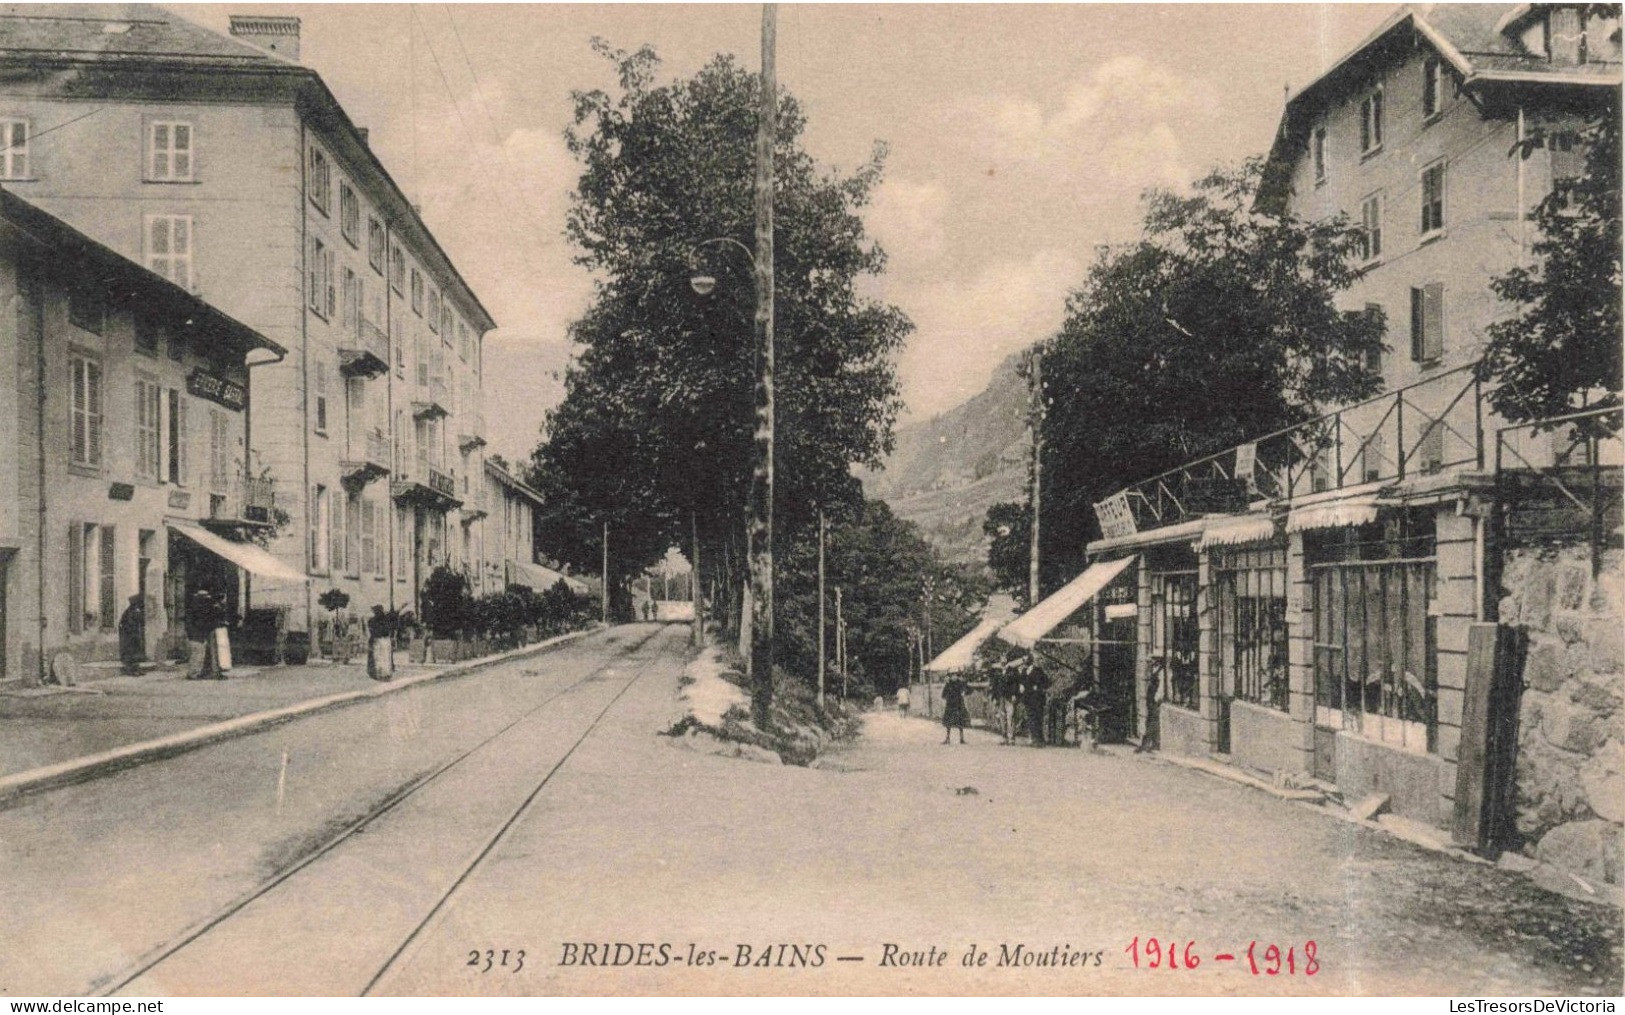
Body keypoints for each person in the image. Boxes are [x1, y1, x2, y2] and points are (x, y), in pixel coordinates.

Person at [188, 590, 226, 680]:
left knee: (198, 655)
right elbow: (204, 622)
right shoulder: (201, 609)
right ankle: (193, 674)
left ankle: (195, 673)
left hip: (197, 635)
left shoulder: (196, 607)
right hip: (199, 636)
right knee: (198, 655)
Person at [117, 594, 146, 676]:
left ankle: (136, 669)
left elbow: (139, 621)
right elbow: (129, 624)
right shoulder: (130, 612)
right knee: (130, 653)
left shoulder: (134, 610)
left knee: (135, 652)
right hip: (129, 636)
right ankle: (131, 670)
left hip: (133, 635)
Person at [940, 673, 970, 744]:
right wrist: (947, 696)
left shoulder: (961, 683)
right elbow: (943, 695)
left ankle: (961, 738)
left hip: (959, 705)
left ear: (957, 676)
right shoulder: (948, 684)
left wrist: (964, 692)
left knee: (960, 721)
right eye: (952, 676)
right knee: (948, 722)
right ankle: (947, 738)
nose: (954, 677)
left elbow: (968, 690)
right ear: (950, 677)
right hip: (950, 705)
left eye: (955, 675)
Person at [367, 605, 394, 681]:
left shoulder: (372, 620)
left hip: (378, 640)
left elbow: (372, 631)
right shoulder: (386, 619)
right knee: (386, 657)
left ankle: (380, 673)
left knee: (378, 657)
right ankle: (386, 674)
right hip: (386, 639)